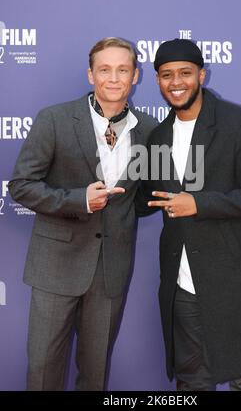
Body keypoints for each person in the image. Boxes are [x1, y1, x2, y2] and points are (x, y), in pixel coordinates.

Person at [8, 37, 157, 391]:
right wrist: (80, 201)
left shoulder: (150, 131)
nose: (113, 78)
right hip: (55, 266)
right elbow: (21, 185)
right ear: (91, 75)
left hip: (111, 270)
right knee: (43, 371)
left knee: (95, 374)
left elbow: (141, 198)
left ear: (135, 76)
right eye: (105, 69)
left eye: (123, 70)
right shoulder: (54, 119)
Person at [145, 38, 241, 391]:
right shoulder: (158, 137)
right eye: (166, 74)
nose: (176, 82)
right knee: (192, 385)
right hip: (182, 286)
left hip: (233, 283)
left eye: (185, 73)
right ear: (157, 80)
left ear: (201, 74)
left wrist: (199, 204)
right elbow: (149, 198)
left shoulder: (240, 124)